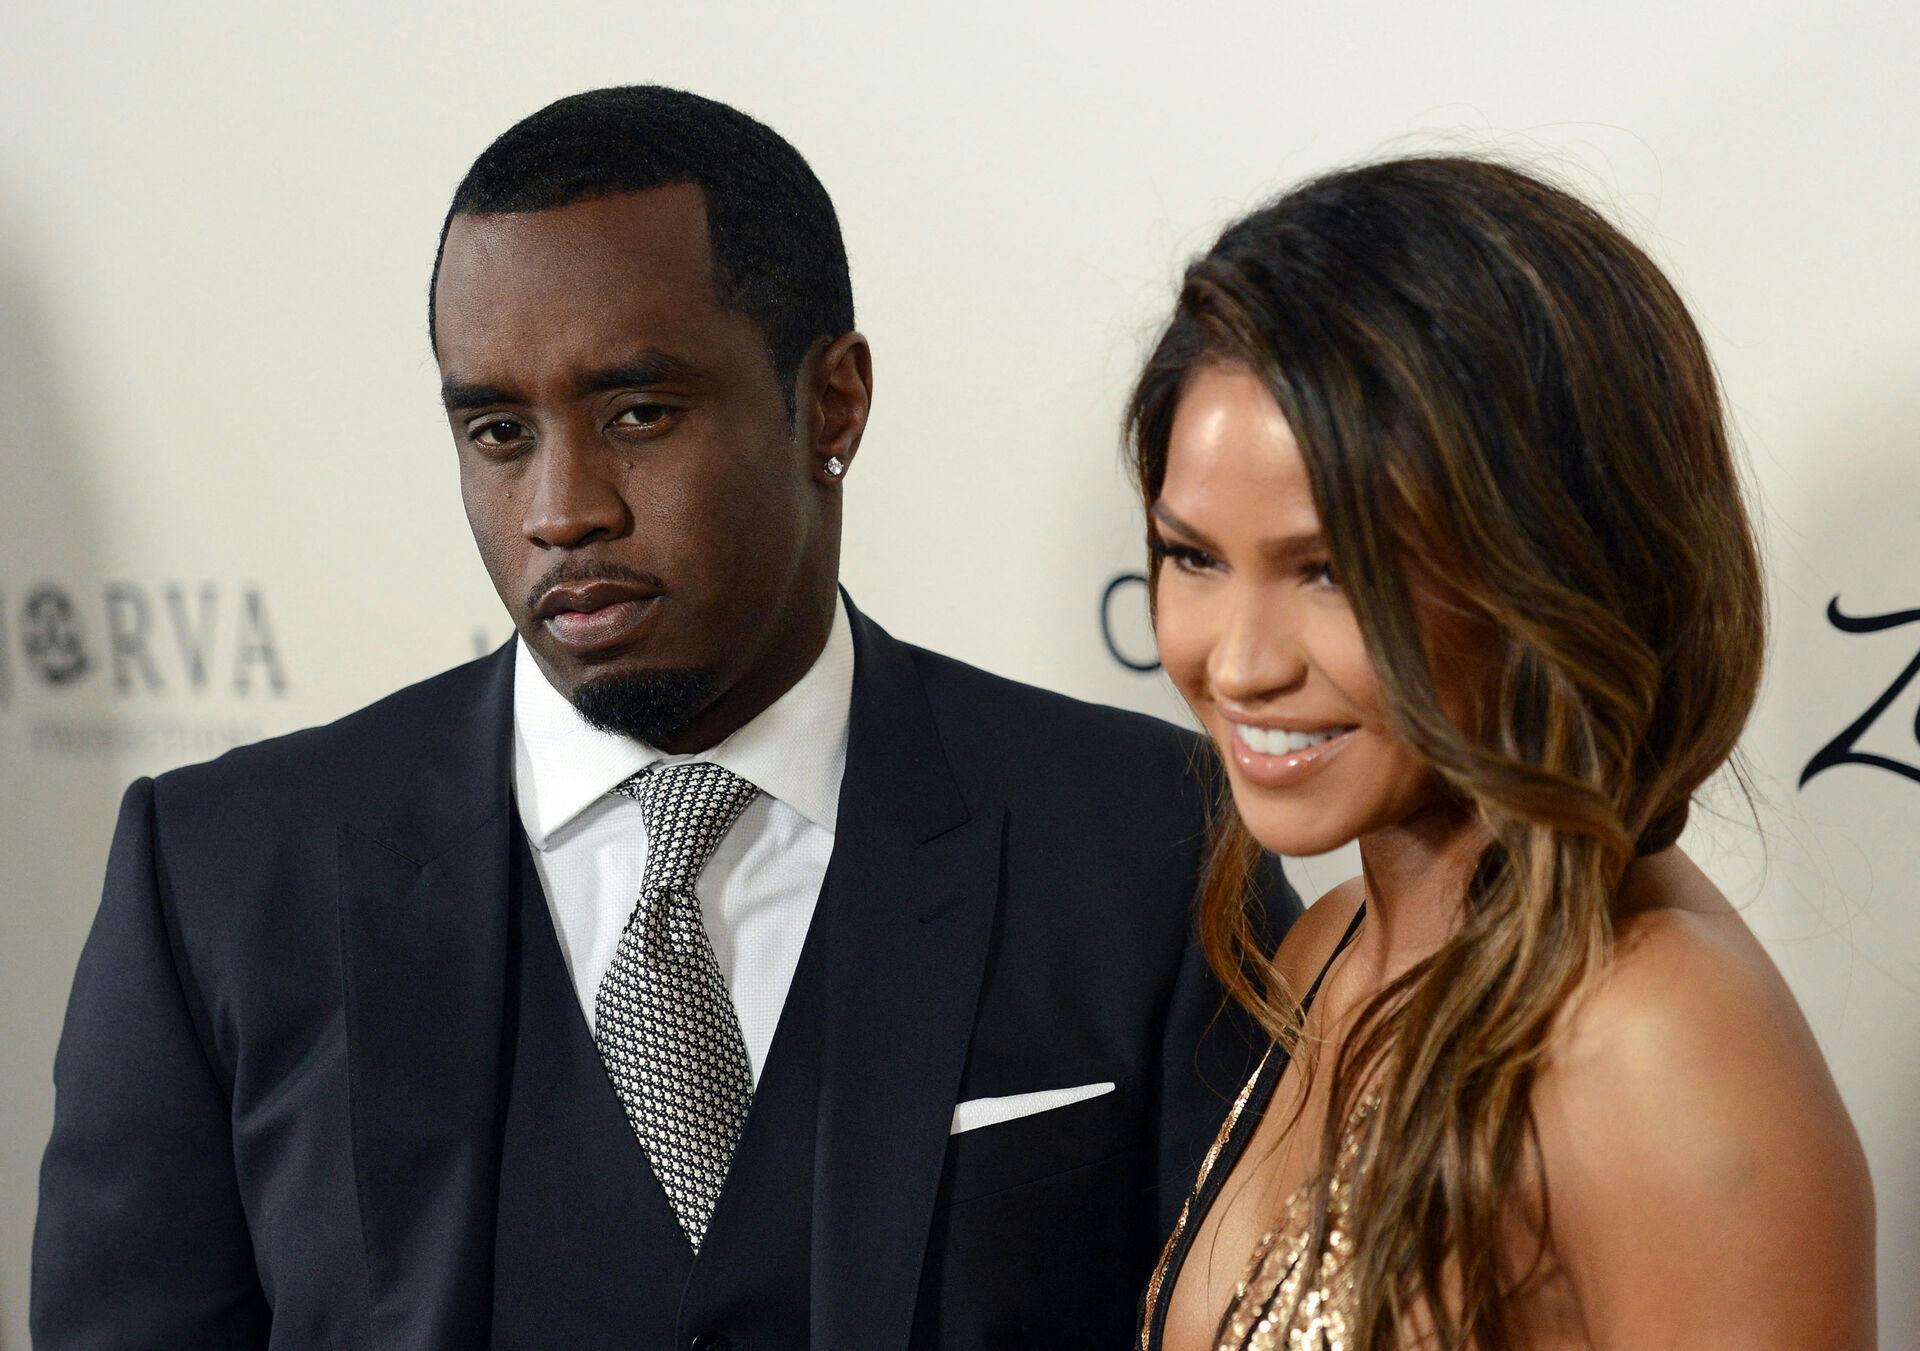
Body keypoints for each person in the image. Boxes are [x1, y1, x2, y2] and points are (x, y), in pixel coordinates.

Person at [33, 86, 1298, 1350]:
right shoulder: (220, 881)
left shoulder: (1151, 845)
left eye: (638, 414)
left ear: (834, 403)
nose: (561, 509)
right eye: (498, 431)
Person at [1129, 157, 1876, 1349]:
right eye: (1194, 556)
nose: (1239, 663)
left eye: (1332, 572)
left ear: (1549, 565)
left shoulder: (1654, 1044)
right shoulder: (1327, 949)